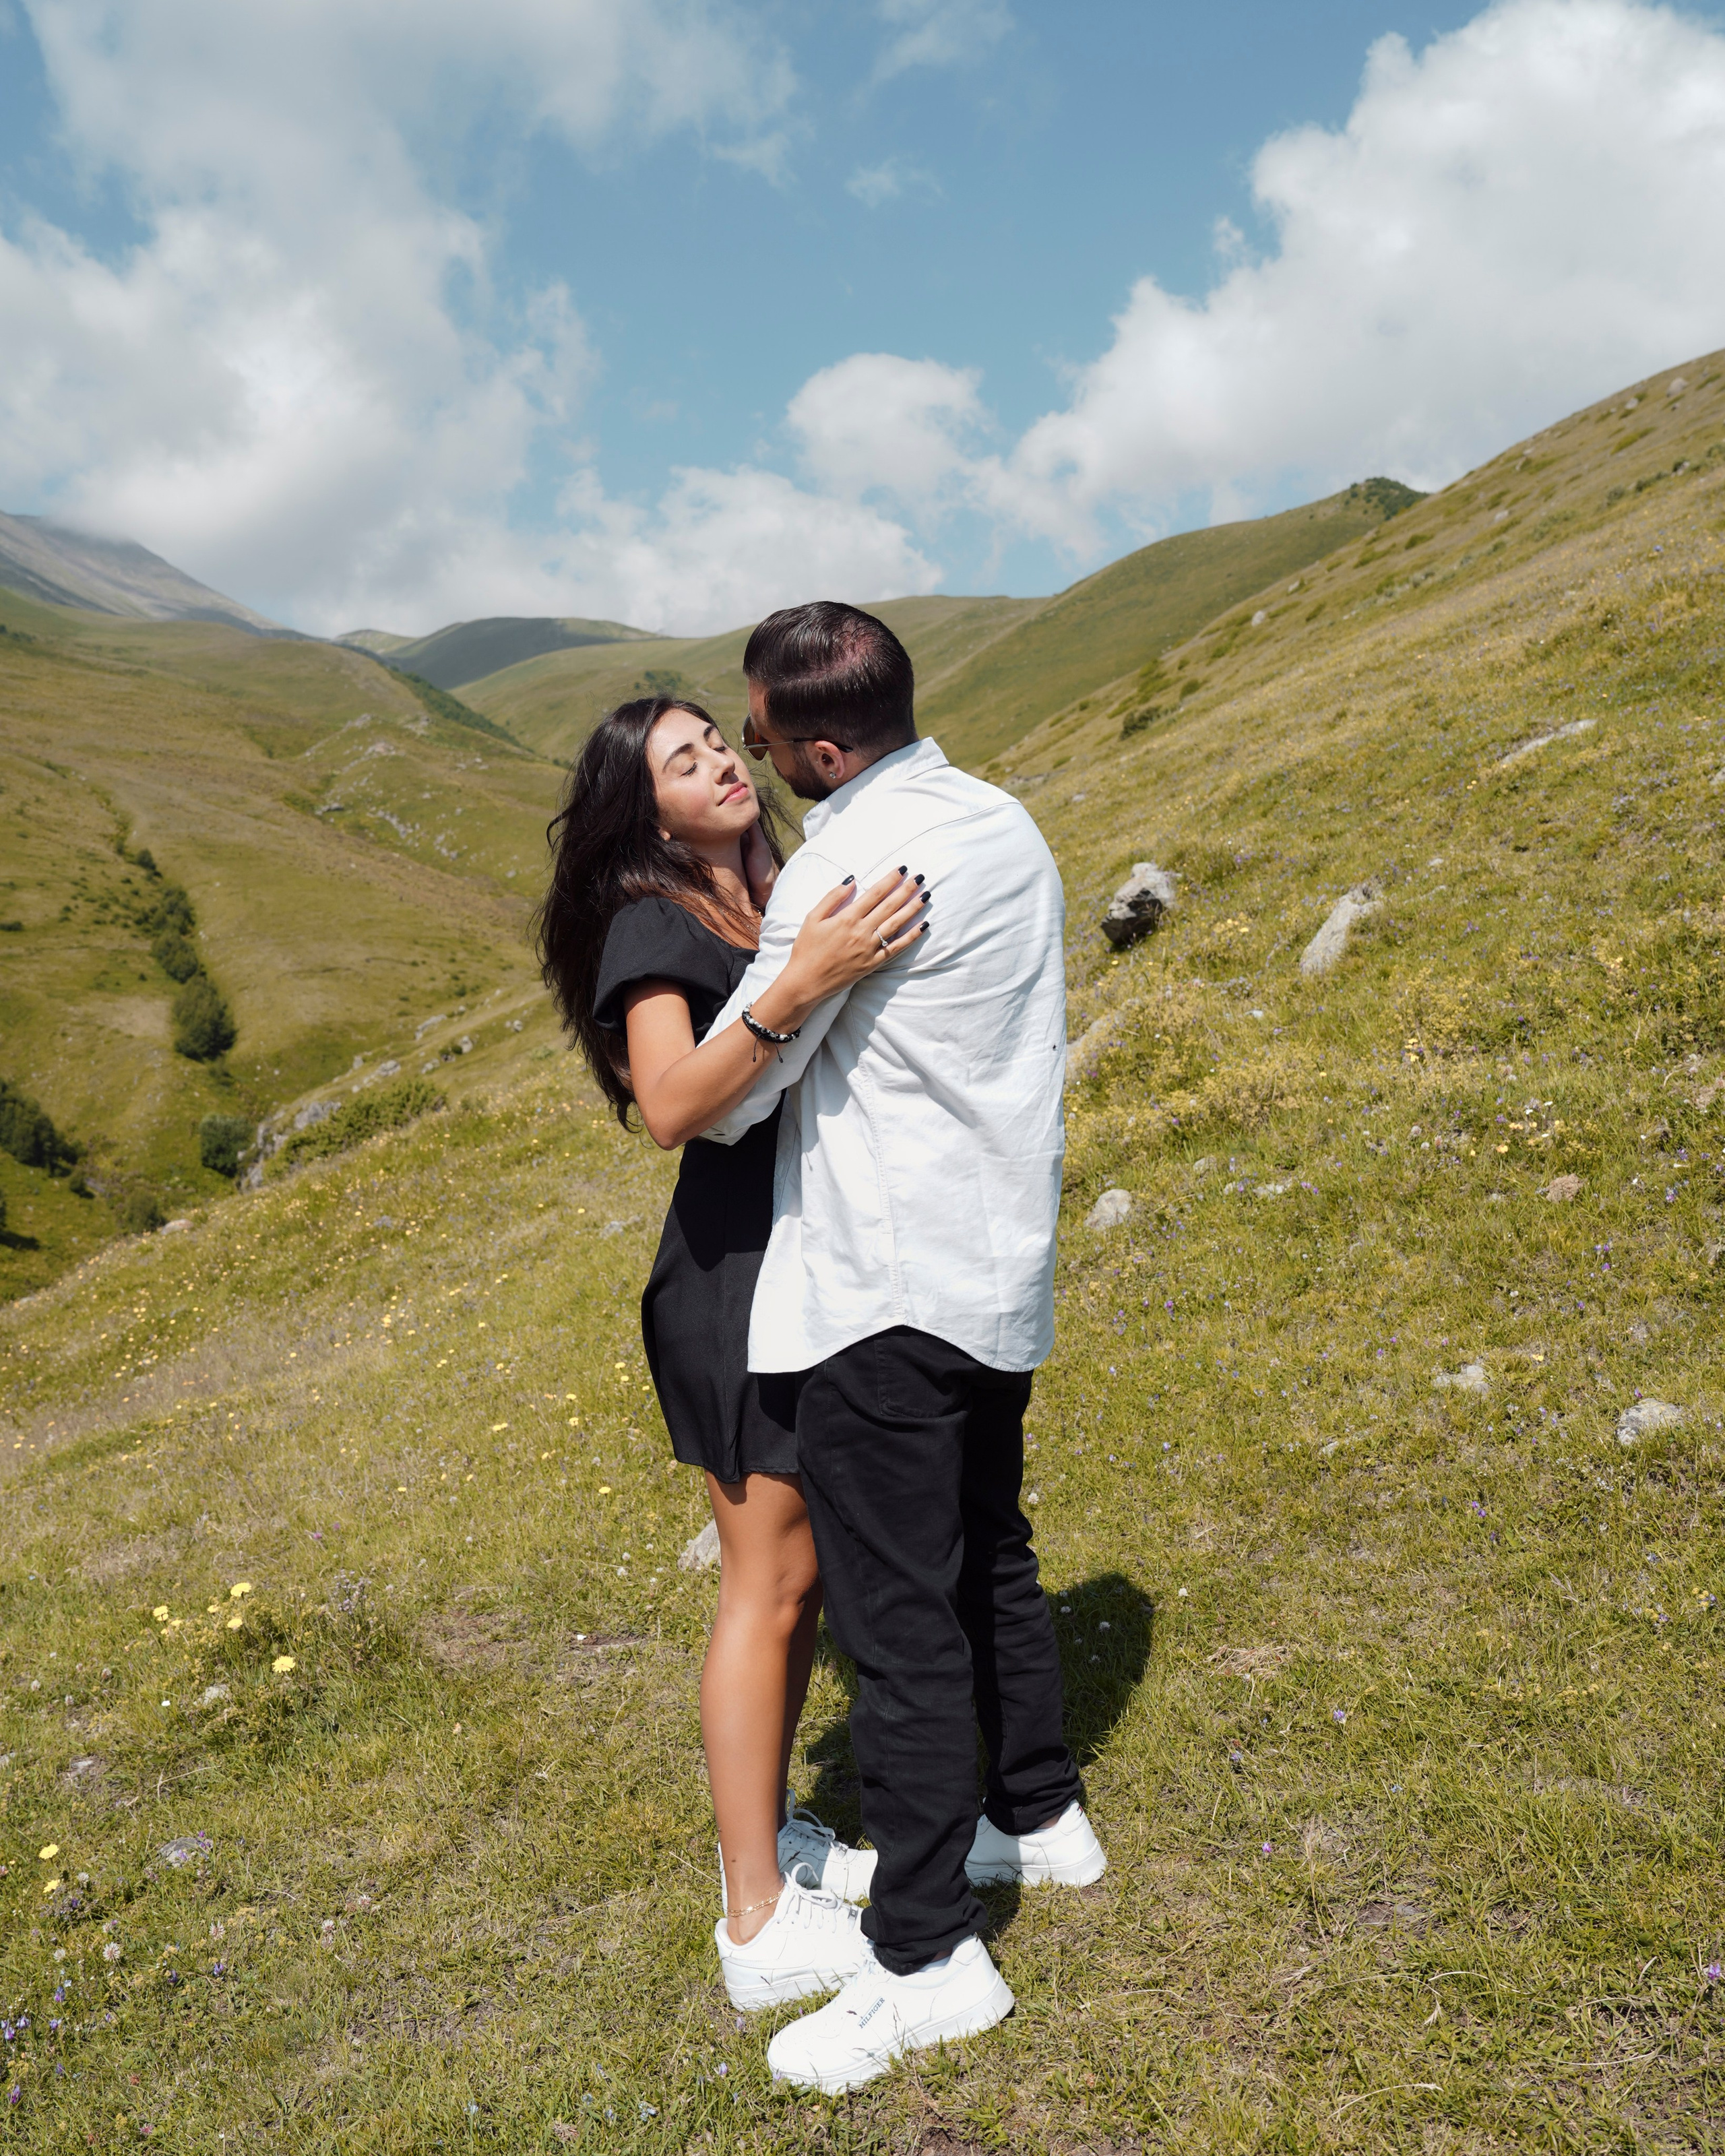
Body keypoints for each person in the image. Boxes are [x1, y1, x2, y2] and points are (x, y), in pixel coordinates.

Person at [697, 604, 1107, 2093]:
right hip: (994, 1263)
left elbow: (732, 1093)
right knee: (987, 1548)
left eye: (752, 735)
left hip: (876, 1278)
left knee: (895, 1619)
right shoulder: (1003, 819)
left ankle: (924, 1954)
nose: (751, 758)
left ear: (812, 745)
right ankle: (1038, 1813)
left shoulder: (835, 868)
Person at [534, 694, 927, 2011]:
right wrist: (806, 979)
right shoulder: (656, 922)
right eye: (680, 763)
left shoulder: (762, 893)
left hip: (799, 1259)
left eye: (717, 743)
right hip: (729, 1283)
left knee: (799, 1569)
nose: (715, 766)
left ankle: (772, 1843)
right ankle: (754, 1925)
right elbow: (666, 1105)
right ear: (645, 812)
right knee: (762, 1584)